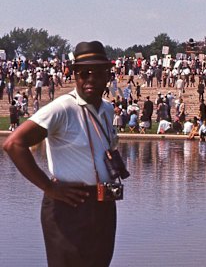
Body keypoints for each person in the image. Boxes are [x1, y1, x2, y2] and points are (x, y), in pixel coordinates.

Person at [3, 41, 119, 266]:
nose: (90, 79)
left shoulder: (107, 109)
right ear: (74, 75)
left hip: (103, 204)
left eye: (97, 72)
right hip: (69, 205)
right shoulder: (63, 108)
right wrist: (48, 187)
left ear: (108, 75)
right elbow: (14, 144)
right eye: (84, 73)